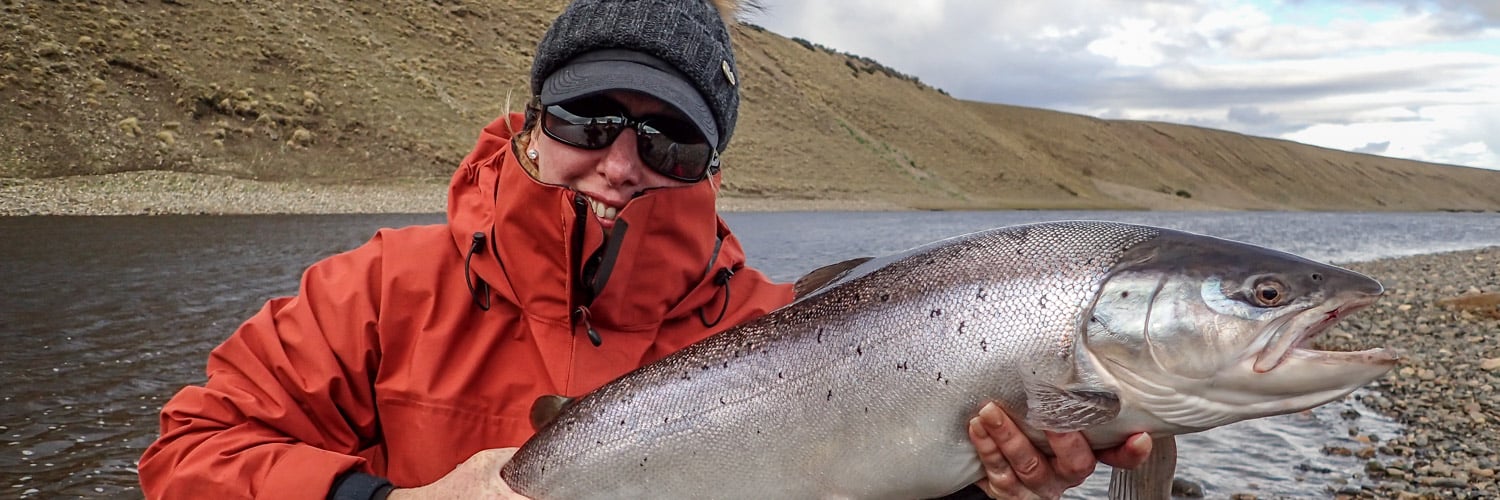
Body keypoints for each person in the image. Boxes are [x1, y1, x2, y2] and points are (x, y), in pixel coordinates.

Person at [137, 0, 1151, 498]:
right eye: (588, 119)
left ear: (709, 166)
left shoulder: (786, 328)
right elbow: (183, 458)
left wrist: (982, 485)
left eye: (666, 138)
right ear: (533, 123)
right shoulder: (374, 290)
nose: (620, 162)